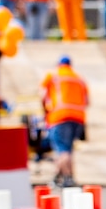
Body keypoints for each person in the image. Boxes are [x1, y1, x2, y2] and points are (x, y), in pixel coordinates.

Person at [40, 56, 89, 188]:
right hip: (78, 118)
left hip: (59, 117)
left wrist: (45, 112)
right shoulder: (79, 78)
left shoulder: (53, 75)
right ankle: (59, 176)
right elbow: (87, 101)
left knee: (62, 150)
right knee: (67, 149)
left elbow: (43, 96)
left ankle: (68, 178)